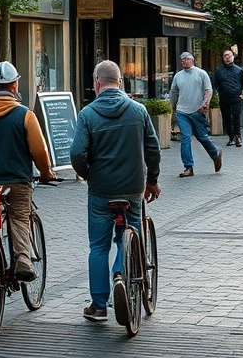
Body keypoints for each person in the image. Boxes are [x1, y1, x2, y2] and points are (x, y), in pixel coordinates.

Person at [70, 60, 161, 324]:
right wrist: (151, 181)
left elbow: (76, 153)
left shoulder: (87, 114)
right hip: (133, 189)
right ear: (120, 82)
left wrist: (89, 175)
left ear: (97, 82)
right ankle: (121, 273)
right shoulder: (138, 110)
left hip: (101, 191)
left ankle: (99, 305)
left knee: (98, 246)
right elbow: (153, 150)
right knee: (132, 230)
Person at [0, 61, 55, 282]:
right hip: (19, 179)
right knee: (19, 217)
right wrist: (45, 173)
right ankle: (24, 259)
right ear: (15, 85)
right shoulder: (25, 115)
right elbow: (39, 150)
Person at [168, 52, 222, 177]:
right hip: (182, 112)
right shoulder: (178, 76)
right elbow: (173, 92)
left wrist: (205, 104)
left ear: (192, 60)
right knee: (185, 138)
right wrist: (172, 107)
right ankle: (188, 167)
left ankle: (215, 153)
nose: (183, 61)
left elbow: (208, 90)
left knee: (202, 137)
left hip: (197, 111)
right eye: (181, 60)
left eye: (186, 59)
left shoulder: (201, 73)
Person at [211, 49, 243, 147]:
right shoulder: (219, 71)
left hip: (236, 97)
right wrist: (214, 94)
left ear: (233, 57)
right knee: (227, 118)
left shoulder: (239, 70)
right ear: (223, 58)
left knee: (236, 116)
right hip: (224, 98)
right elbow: (214, 84)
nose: (227, 57)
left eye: (229, 55)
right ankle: (231, 137)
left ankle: (238, 136)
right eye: (225, 56)